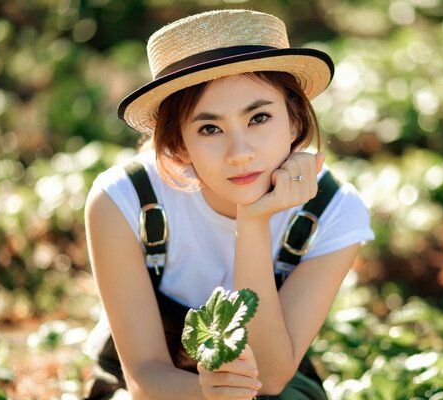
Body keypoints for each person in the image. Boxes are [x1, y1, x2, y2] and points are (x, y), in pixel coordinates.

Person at [83, 9, 374, 400]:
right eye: (209, 128)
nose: (240, 153)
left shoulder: (334, 210)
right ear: (178, 144)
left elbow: (270, 379)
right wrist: (210, 393)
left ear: (293, 121)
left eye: (259, 118)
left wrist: (252, 222)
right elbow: (144, 378)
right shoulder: (124, 199)